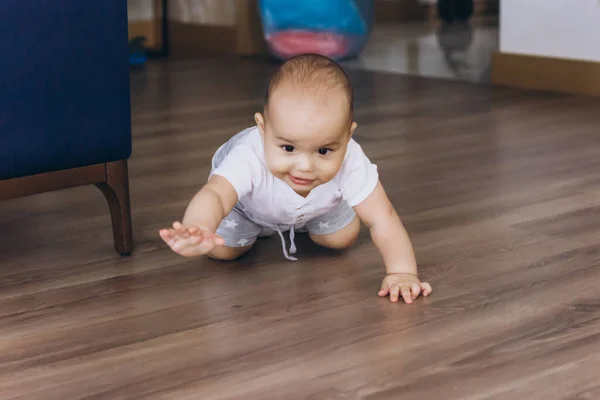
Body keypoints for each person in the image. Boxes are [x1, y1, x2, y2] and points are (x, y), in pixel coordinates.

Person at [159, 53, 432, 304]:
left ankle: (303, 219)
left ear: (348, 136)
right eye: (288, 148)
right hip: (247, 205)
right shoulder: (247, 155)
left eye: (324, 150)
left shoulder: (352, 159)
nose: (304, 167)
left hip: (315, 202)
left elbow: (384, 217)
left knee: (342, 238)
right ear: (263, 128)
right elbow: (216, 195)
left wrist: (402, 272)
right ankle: (260, 225)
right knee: (226, 251)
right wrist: (198, 226)